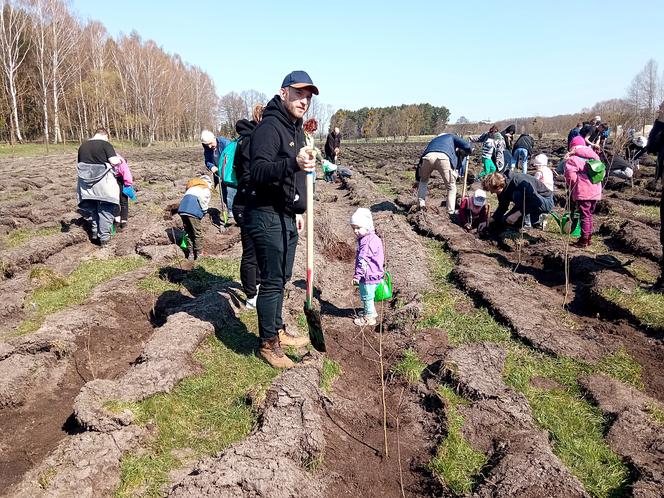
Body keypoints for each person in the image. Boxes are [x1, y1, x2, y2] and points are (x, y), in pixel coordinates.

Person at [245, 70, 316, 368]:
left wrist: (297, 209)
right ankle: (268, 344)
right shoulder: (270, 128)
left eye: (308, 97)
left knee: (283, 277)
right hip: (265, 213)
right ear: (284, 92)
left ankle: (278, 329)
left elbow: (296, 173)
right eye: (299, 94)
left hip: (287, 214)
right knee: (272, 281)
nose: (304, 101)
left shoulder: (296, 129)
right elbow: (258, 172)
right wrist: (293, 162)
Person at [232, 103, 264, 309]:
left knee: (259, 250)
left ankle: (258, 285)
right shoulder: (251, 141)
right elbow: (247, 175)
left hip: (251, 200)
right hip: (247, 202)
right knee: (250, 252)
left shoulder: (248, 139)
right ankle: (251, 295)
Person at [77, 128, 122, 246]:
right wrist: (120, 161)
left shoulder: (83, 146)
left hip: (87, 185)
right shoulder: (105, 144)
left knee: (93, 210)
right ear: (105, 136)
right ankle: (104, 239)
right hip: (104, 183)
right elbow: (114, 161)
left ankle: (95, 233)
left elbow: (81, 164)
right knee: (106, 210)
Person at [417, 133, 473, 213]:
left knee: (423, 181)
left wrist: (418, 177)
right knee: (451, 187)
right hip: (443, 158)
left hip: (427, 157)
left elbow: (421, 160)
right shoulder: (451, 136)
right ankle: (450, 212)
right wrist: (469, 151)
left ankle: (421, 204)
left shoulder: (434, 140)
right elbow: (467, 146)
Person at [482, 170, 554, 232]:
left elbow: (536, 202)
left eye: (493, 191)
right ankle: (534, 220)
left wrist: (517, 214)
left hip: (544, 201)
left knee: (517, 195)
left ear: (499, 186)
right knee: (505, 221)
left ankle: (530, 221)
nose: (492, 193)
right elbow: (502, 207)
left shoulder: (518, 182)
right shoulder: (501, 188)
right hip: (527, 204)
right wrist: (489, 221)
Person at [564, 136, 602, 247]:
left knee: (584, 215)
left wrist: (574, 187)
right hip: (595, 191)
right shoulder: (595, 157)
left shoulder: (573, 159)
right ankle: (588, 238)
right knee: (589, 215)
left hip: (583, 191)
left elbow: (570, 177)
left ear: (572, 146)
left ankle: (583, 240)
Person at [350, 208, 385, 326]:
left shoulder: (367, 242)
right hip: (374, 273)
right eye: (354, 228)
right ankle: (370, 312)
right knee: (369, 295)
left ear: (367, 226)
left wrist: (357, 276)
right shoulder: (372, 238)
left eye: (358, 228)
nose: (356, 231)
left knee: (367, 297)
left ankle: (369, 318)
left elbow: (363, 260)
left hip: (368, 275)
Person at [201, 130, 234, 224]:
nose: (209, 146)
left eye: (210, 143)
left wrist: (225, 167)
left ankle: (233, 213)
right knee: (224, 194)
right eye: (207, 145)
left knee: (231, 192)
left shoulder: (225, 143)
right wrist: (212, 167)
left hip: (230, 173)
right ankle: (229, 212)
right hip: (219, 174)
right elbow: (207, 161)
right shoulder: (207, 148)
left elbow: (233, 157)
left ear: (214, 138)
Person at [178, 175, 213, 259]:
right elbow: (202, 200)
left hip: (182, 210)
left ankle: (190, 254)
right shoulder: (205, 189)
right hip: (192, 211)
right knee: (197, 233)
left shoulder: (192, 187)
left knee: (188, 232)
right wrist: (204, 210)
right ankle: (199, 253)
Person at [113, 154, 135, 230]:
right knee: (117, 200)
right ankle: (119, 220)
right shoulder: (117, 159)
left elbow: (126, 172)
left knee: (120, 200)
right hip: (114, 179)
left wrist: (127, 184)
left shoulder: (119, 160)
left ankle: (122, 220)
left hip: (119, 180)